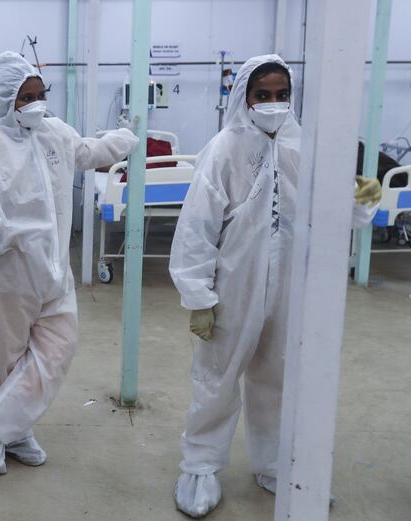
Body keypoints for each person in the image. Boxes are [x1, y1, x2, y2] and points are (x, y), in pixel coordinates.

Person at [168, 54, 382, 518]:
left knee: (278, 377)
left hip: (290, 284)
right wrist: (199, 297)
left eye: (281, 95)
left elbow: (330, 207)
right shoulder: (224, 149)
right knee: (217, 376)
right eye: (262, 95)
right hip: (235, 286)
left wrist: (361, 201)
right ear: (244, 97)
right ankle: (200, 466)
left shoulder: (303, 145)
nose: (273, 103)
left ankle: (272, 462)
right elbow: (197, 228)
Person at [0, 51, 139, 475]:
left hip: (52, 271)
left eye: (40, 94)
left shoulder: (55, 133)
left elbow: (88, 151)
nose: (35, 104)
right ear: (6, 100)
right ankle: (13, 431)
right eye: (25, 97)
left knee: (57, 348)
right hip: (3, 270)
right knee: (3, 359)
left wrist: (125, 137)